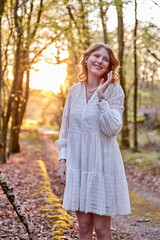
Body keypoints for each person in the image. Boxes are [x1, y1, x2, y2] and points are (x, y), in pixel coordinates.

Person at [55, 43, 131, 240]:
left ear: (109, 66)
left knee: (101, 228)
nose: (100, 61)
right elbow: (66, 129)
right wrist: (62, 160)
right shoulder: (74, 91)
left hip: (102, 164)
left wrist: (101, 98)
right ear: (87, 59)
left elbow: (113, 129)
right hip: (78, 164)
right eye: (96, 56)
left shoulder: (115, 91)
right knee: (83, 226)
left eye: (105, 59)